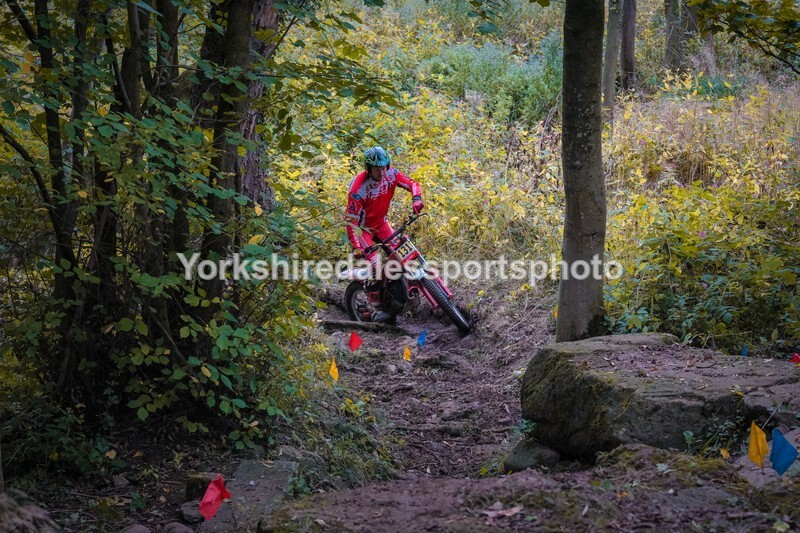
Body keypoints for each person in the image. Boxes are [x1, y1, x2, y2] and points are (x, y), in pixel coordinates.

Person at [345, 146, 424, 322]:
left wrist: (417, 198)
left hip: (381, 224)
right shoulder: (358, 189)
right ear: (368, 168)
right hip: (363, 230)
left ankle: (398, 294)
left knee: (401, 256)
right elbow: (350, 222)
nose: (381, 173)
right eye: (376, 169)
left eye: (383, 167)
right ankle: (377, 306)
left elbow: (413, 184)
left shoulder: (392, 173)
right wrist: (356, 247)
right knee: (376, 265)